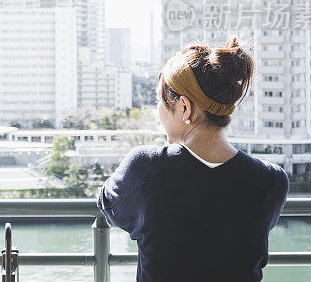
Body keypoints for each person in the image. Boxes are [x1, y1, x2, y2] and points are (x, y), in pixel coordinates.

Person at [97, 37, 288, 282]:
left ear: (185, 108)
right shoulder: (271, 180)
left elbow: (108, 203)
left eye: (160, 101)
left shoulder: (146, 168)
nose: (159, 110)